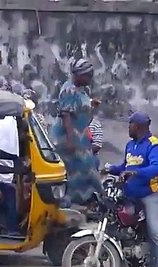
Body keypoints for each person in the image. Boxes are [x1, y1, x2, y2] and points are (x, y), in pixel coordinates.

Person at [105, 112, 158, 267]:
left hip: (148, 194)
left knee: (155, 232)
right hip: (129, 195)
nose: (128, 128)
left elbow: (156, 167)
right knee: (118, 224)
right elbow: (125, 167)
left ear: (138, 126)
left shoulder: (154, 144)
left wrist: (136, 173)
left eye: (130, 124)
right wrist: (110, 169)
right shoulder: (130, 145)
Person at [52, 58, 100, 207]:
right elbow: (65, 114)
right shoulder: (68, 89)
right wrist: (70, 139)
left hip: (81, 136)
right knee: (80, 168)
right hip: (68, 136)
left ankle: (85, 201)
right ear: (79, 74)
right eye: (87, 76)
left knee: (88, 166)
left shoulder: (83, 91)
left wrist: (92, 106)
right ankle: (69, 202)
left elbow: (82, 112)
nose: (89, 79)